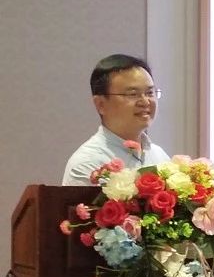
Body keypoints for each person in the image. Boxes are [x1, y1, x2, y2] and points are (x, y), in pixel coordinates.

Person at [63, 54, 169, 184]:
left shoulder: (159, 156)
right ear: (101, 104)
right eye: (133, 94)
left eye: (150, 93)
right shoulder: (87, 165)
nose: (145, 101)